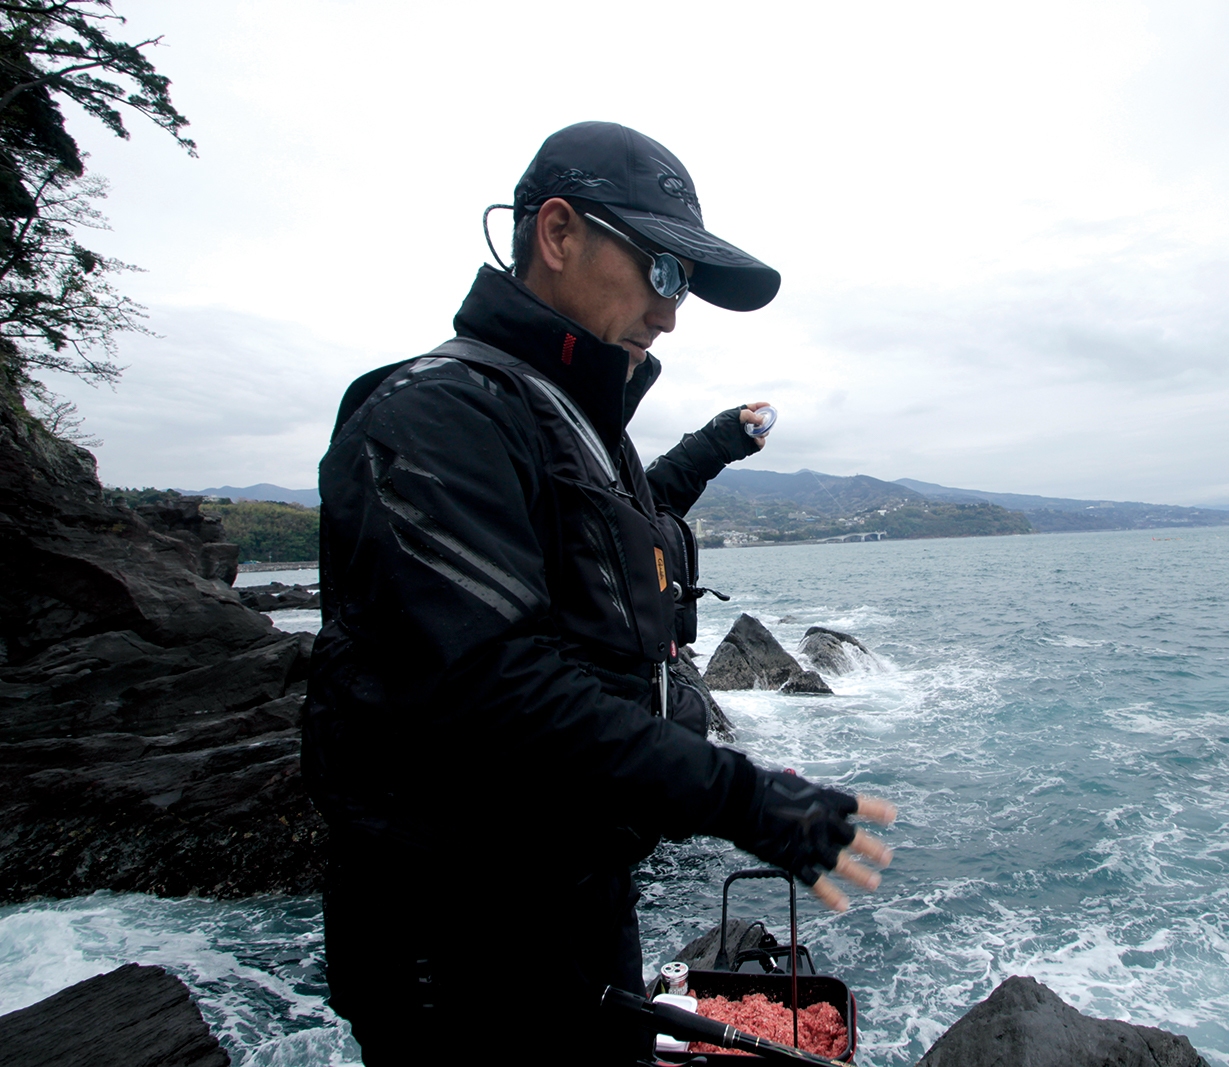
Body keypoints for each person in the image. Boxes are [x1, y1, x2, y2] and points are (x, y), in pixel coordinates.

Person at [302, 121, 894, 1066]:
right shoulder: (432, 415)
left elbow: (628, 527)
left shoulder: (575, 427)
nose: (673, 313)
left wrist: (719, 441)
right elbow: (488, 683)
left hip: (575, 908)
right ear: (559, 233)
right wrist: (743, 797)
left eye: (687, 285)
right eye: (664, 271)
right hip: (458, 954)